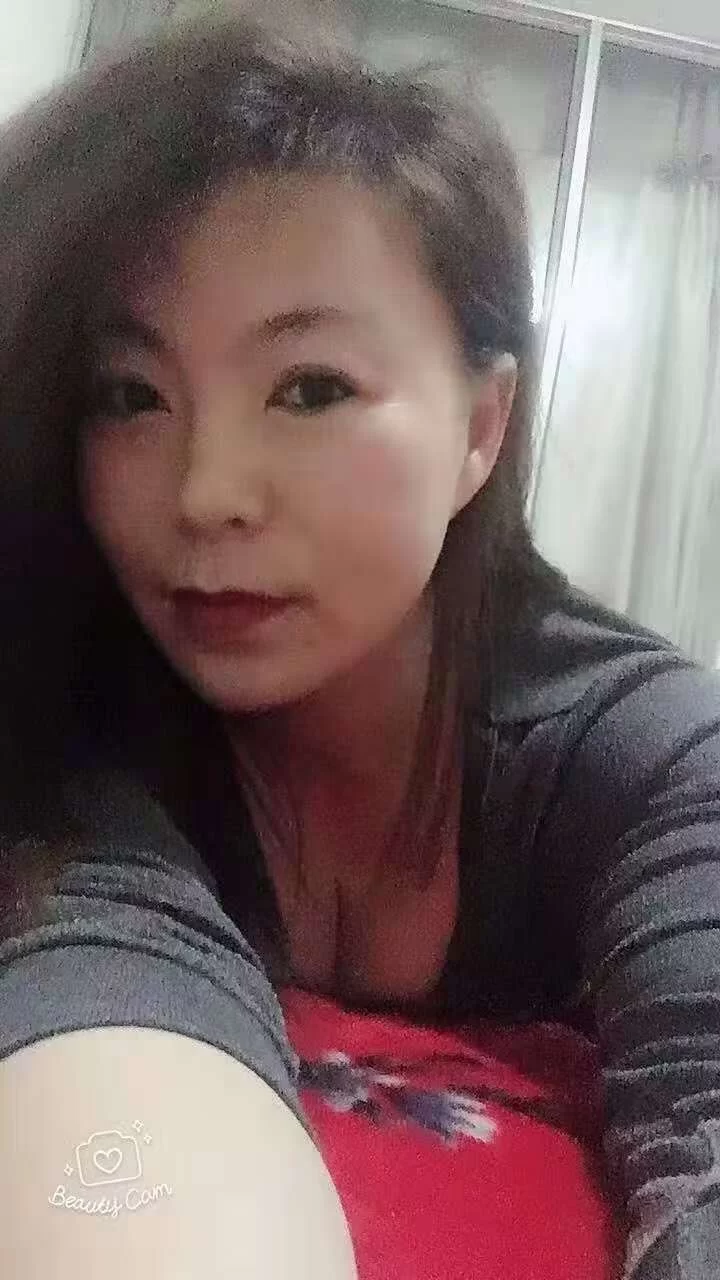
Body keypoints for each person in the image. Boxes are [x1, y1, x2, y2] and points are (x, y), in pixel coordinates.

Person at [1, 13, 719, 1279]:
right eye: (130, 395)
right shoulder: (84, 732)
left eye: (311, 387)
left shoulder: (643, 751)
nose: (208, 492)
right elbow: (101, 993)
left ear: (481, 427)